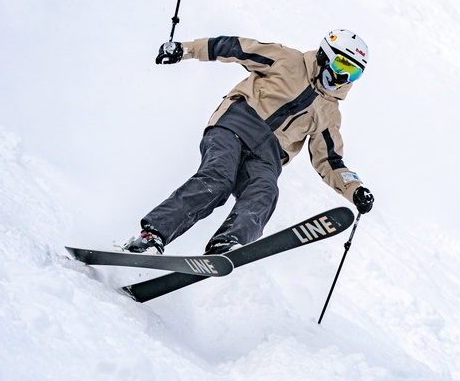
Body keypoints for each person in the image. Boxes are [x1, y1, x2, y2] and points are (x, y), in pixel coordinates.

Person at [124, 30, 375, 255]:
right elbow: (236, 47)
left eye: (354, 72)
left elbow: (330, 160)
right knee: (217, 179)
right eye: (342, 64)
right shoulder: (287, 60)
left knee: (265, 191)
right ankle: (152, 235)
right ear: (325, 54)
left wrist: (355, 189)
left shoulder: (329, 113)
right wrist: (185, 49)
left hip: (268, 155)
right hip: (237, 125)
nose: (344, 76)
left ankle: (228, 244)